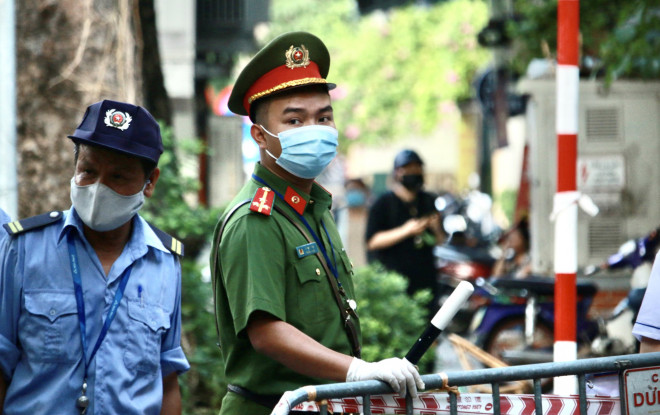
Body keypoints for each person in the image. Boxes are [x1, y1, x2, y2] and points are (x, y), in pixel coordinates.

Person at [211, 32, 423, 415]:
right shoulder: (255, 219)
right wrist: (358, 370)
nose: (314, 129)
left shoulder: (315, 209)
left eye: (323, 117)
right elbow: (267, 333)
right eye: (295, 120)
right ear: (260, 135)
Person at [0, 100, 190, 414]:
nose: (99, 188)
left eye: (118, 177)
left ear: (150, 183)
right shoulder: (23, 249)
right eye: (88, 171)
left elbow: (167, 379)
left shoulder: (164, 263)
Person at [365, 149, 444, 308]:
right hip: (394, 285)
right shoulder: (383, 203)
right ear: (397, 173)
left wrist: (435, 228)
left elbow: (440, 240)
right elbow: (372, 242)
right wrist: (406, 230)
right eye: (407, 169)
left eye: (417, 168)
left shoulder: (428, 200)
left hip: (425, 283)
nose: (413, 173)